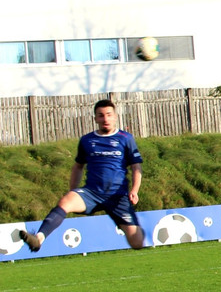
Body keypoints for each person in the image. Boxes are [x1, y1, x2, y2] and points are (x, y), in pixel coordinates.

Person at [19, 99, 145, 253]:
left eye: (108, 115)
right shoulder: (87, 140)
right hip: (92, 193)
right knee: (65, 202)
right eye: (101, 115)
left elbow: (136, 166)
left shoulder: (125, 138)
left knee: (137, 242)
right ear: (95, 119)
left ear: (115, 117)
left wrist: (134, 190)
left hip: (117, 197)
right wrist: (72, 190)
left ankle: (126, 223)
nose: (105, 119)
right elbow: (78, 166)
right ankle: (38, 238)